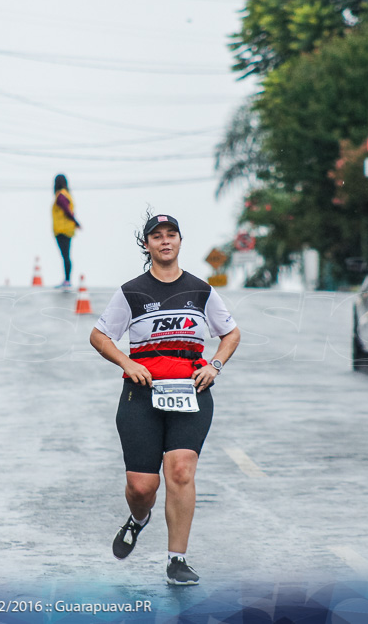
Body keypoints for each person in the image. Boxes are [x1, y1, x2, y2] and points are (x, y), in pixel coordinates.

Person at [89, 213, 241, 585]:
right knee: (143, 487)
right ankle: (138, 518)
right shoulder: (131, 292)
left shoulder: (201, 290)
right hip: (141, 396)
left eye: (171, 235)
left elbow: (231, 333)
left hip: (191, 393)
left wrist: (215, 365)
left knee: (180, 472)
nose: (165, 241)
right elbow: (99, 336)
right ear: (147, 245)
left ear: (179, 241)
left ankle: (177, 560)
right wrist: (127, 362)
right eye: (157, 236)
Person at [52, 174, 81, 288]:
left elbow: (67, 210)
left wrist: (76, 222)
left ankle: (67, 280)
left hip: (62, 230)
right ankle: (67, 279)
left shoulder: (60, 196)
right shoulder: (66, 194)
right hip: (67, 229)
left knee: (65, 255)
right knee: (66, 255)